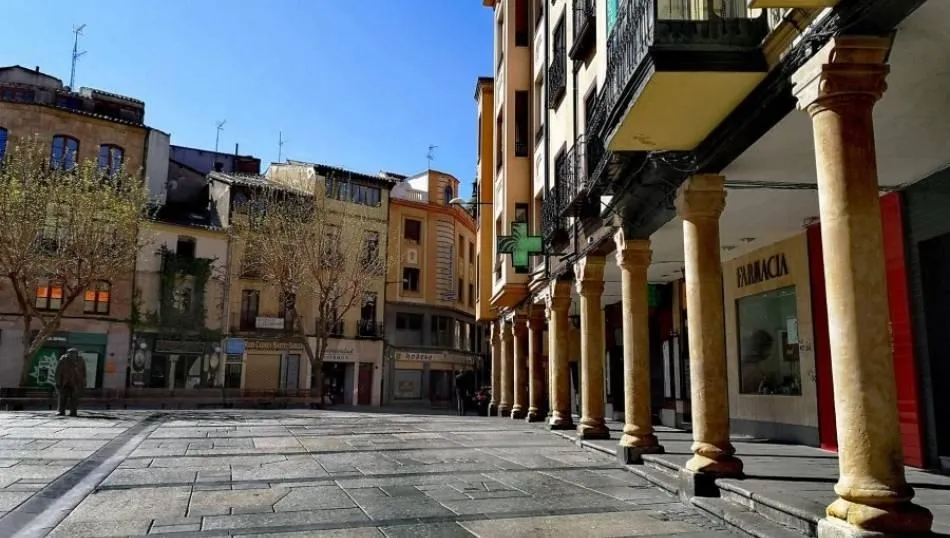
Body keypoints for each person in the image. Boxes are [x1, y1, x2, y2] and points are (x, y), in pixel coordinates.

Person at [55, 348, 86, 417]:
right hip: (65, 381)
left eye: (73, 353)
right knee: (62, 397)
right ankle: (61, 411)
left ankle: (73, 411)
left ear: (76, 354)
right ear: (67, 354)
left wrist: (83, 381)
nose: (72, 355)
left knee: (75, 397)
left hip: (76, 381)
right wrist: (58, 381)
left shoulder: (81, 360)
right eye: (70, 353)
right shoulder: (63, 359)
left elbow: (83, 371)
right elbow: (58, 371)